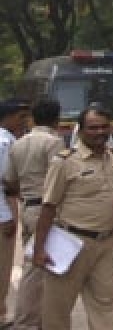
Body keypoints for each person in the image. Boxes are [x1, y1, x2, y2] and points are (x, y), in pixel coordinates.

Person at [32, 104, 113, 330]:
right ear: (81, 130)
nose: (100, 132)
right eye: (93, 128)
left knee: (106, 304)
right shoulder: (64, 162)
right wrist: (39, 249)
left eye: (104, 127)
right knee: (57, 308)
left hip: (107, 244)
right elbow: (48, 207)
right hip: (72, 244)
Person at [3, 99, 64, 330]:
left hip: (28, 206)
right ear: (56, 119)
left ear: (33, 118)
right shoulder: (54, 143)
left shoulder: (18, 144)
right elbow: (58, 178)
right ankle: (28, 321)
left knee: (34, 264)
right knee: (37, 267)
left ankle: (35, 318)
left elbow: (9, 181)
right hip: (46, 210)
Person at [0, 100, 28, 326]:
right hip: (2, 209)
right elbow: (3, 182)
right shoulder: (4, 142)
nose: (24, 122)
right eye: (21, 116)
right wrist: (5, 215)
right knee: (2, 264)